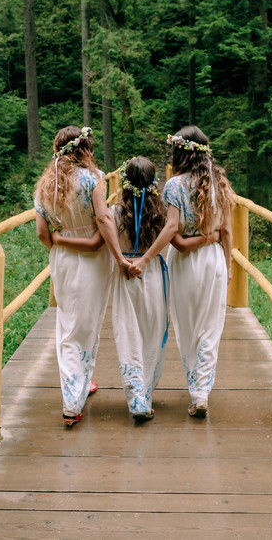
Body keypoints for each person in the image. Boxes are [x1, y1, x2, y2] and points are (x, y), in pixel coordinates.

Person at [131, 126, 231, 418]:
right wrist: (229, 265)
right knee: (210, 328)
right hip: (213, 261)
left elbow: (174, 232)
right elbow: (225, 230)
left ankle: (195, 388)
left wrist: (147, 258)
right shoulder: (220, 184)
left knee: (187, 328)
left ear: (179, 153)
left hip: (185, 265)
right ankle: (201, 393)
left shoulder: (174, 186)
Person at [34, 126, 129, 427]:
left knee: (68, 323)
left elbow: (41, 232)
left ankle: (81, 383)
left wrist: (59, 244)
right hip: (92, 260)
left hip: (62, 260)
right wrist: (119, 257)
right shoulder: (92, 180)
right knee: (87, 324)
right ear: (84, 149)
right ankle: (72, 401)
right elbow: (103, 219)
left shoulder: (45, 186)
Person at [108, 157, 174, 423]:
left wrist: (122, 262)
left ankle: (136, 397)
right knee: (151, 333)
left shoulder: (114, 212)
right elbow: (169, 242)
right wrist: (145, 260)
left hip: (126, 275)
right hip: (152, 271)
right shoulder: (164, 214)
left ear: (124, 182)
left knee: (128, 333)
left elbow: (106, 243)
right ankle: (144, 392)